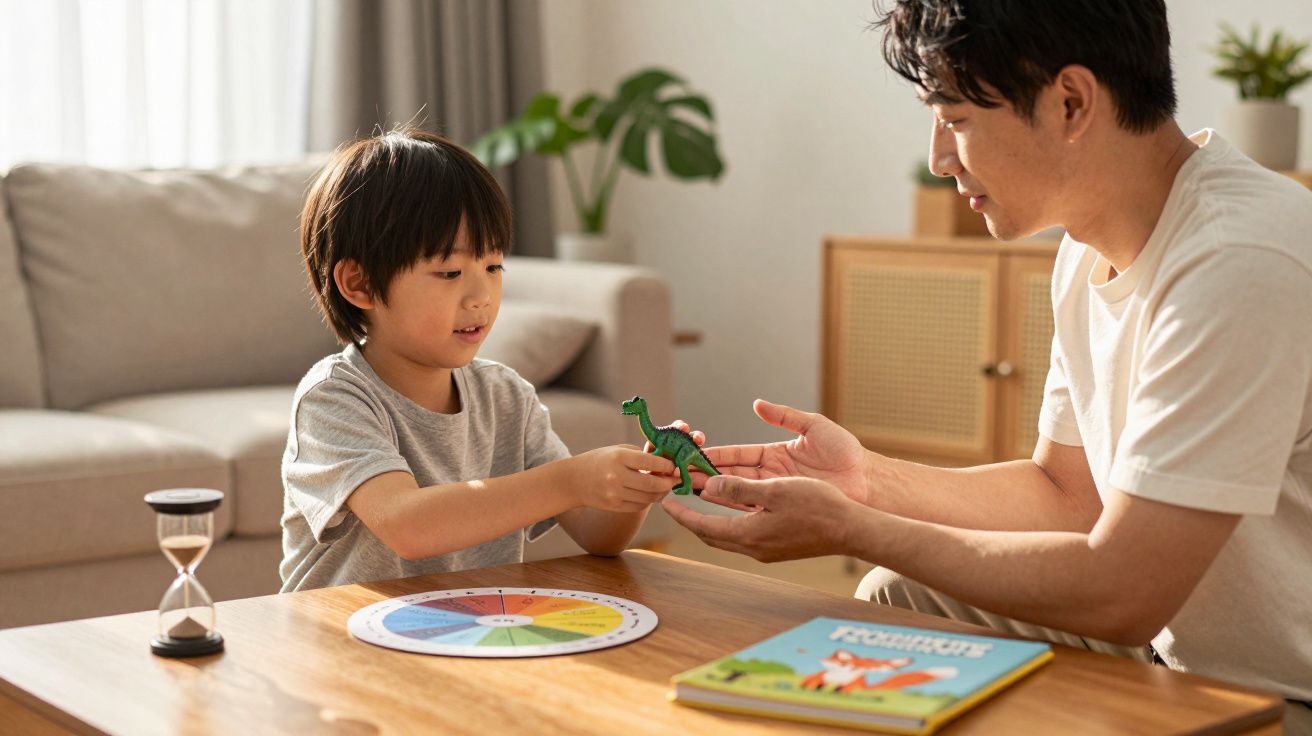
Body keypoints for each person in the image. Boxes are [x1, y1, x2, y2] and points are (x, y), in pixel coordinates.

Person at [661, 0, 1312, 729]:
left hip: (1280, 694)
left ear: (1070, 102)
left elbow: (1126, 592)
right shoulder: (1085, 251)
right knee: (893, 597)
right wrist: (867, 481)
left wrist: (851, 527)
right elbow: (1069, 495)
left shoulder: (1239, 257)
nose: (939, 157)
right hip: (1169, 653)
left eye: (957, 119)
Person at [280, 127, 674, 592]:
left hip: (468, 634)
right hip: (345, 644)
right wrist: (570, 479)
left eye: (493, 267)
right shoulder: (333, 399)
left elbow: (596, 536)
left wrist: (634, 485)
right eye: (449, 272)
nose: (481, 297)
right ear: (360, 284)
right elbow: (409, 525)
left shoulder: (506, 396)